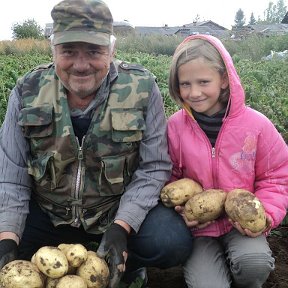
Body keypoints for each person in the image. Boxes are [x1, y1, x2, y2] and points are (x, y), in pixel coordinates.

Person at [0, 0, 193, 287]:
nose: (80, 65)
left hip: (113, 213)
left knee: (169, 240)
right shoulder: (28, 90)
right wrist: (8, 239)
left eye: (94, 51)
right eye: (68, 51)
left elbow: (154, 168)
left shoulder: (140, 88)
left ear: (111, 50)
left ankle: (130, 262)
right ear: (53, 51)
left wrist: (122, 225)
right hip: (49, 213)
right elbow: (11, 176)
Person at [167, 34, 288, 288]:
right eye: (185, 84)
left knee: (254, 264)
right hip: (199, 230)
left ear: (224, 79)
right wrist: (180, 211)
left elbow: (278, 176)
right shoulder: (175, 127)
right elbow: (170, 176)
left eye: (203, 81)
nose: (194, 92)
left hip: (241, 225)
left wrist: (265, 214)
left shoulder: (256, 125)